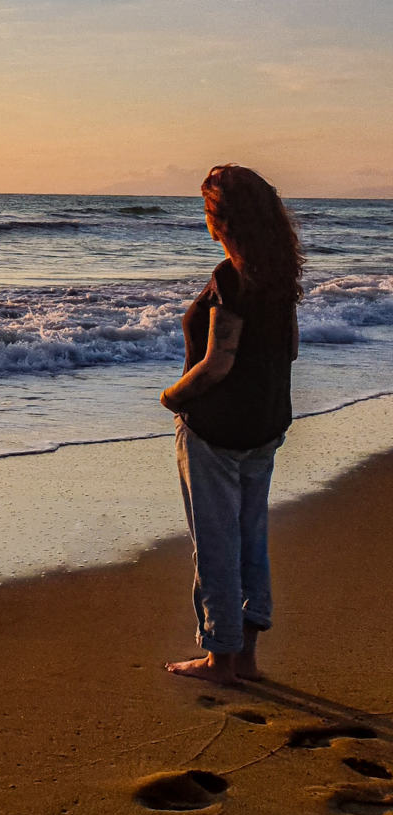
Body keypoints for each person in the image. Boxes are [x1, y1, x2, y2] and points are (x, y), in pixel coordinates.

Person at [159, 164, 302, 685]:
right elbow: (290, 348)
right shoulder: (280, 273)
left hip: (216, 430)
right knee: (251, 537)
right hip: (264, 423)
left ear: (221, 217)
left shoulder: (229, 276)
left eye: (208, 208)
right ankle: (248, 659)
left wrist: (172, 397)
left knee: (217, 543)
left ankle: (221, 656)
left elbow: (218, 362)